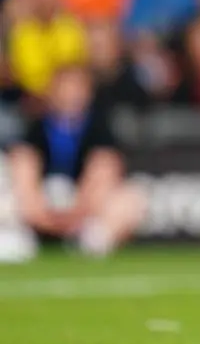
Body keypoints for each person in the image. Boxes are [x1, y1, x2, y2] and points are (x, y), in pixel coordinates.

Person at [1, 64, 146, 262]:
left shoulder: (99, 128)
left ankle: (89, 242)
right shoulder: (35, 126)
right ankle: (23, 240)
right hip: (40, 210)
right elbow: (24, 173)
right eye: (64, 88)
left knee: (131, 199)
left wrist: (75, 215)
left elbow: (103, 174)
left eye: (76, 89)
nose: (70, 95)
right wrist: (43, 217)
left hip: (83, 212)